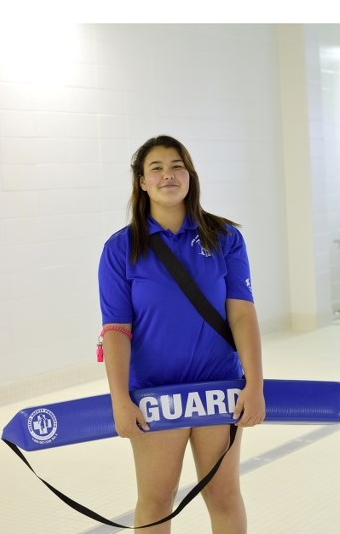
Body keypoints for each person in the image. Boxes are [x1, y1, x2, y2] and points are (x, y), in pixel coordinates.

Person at [98, 135, 265, 534]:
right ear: (141, 181)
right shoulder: (121, 248)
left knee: (224, 496)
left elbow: (242, 315)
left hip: (218, 388)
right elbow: (116, 330)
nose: (168, 175)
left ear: (190, 175)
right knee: (156, 503)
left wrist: (255, 383)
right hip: (156, 396)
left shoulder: (225, 237)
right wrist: (120, 399)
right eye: (156, 168)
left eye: (177, 166)